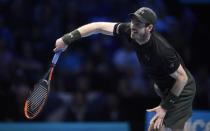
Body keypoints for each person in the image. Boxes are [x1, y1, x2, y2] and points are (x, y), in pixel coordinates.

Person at [54, 7, 196, 131]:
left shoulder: (162, 51)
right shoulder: (130, 31)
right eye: (133, 21)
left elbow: (182, 78)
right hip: (164, 87)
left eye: (139, 23)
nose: (133, 25)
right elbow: (97, 26)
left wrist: (165, 107)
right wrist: (66, 39)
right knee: (156, 128)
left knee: (168, 128)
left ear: (149, 28)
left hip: (182, 89)